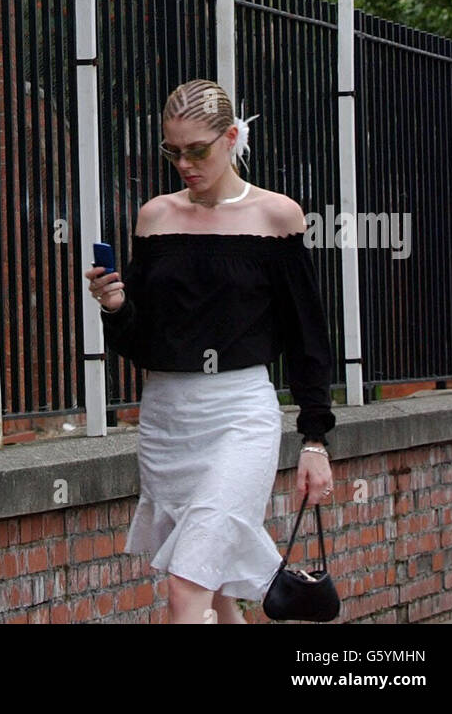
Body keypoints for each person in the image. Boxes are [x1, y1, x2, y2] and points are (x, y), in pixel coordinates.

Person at [85, 78, 335, 625]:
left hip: (240, 412)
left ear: (230, 137)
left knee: (186, 586)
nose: (184, 163)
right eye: (172, 151)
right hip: (168, 421)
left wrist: (314, 438)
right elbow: (142, 343)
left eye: (196, 150)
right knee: (217, 591)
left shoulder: (277, 216)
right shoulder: (156, 217)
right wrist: (115, 305)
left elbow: (306, 335)